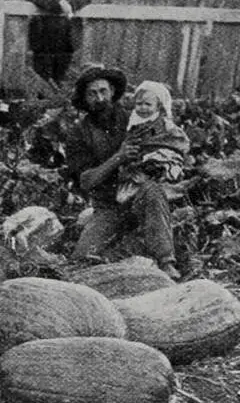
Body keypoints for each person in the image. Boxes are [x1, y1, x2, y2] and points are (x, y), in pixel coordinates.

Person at [66, 66, 194, 279]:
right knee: (81, 260)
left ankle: (166, 261)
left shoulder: (136, 118)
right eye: (92, 93)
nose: (99, 98)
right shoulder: (78, 133)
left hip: (141, 199)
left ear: (113, 91)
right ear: (84, 98)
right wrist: (120, 157)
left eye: (103, 91)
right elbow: (86, 181)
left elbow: (170, 143)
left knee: (152, 191)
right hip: (108, 207)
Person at [116, 80, 189, 206]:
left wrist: (159, 156)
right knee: (125, 197)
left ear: (158, 106)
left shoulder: (167, 127)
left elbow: (178, 144)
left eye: (148, 104)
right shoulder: (132, 124)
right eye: (139, 104)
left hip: (159, 170)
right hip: (135, 169)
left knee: (160, 191)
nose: (143, 108)